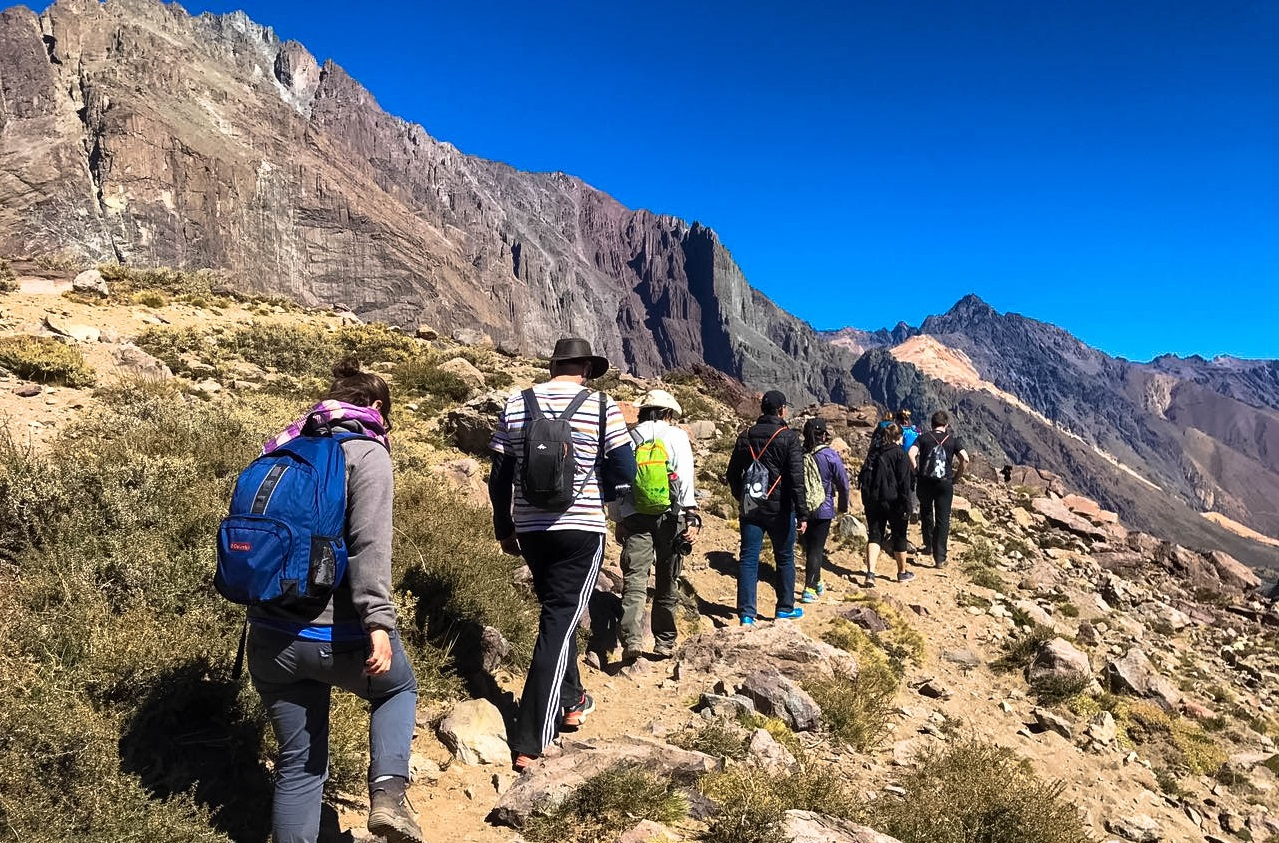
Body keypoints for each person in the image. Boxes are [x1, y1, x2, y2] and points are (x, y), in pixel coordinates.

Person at [247, 359, 423, 843]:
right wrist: (379, 623)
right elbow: (371, 546)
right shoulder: (368, 454)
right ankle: (388, 797)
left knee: (299, 767)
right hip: (338, 637)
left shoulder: (282, 448)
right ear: (378, 408)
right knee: (396, 689)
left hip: (270, 637)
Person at [488, 338, 636, 771]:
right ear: (587, 368)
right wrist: (601, 496)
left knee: (557, 615)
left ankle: (571, 700)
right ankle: (532, 737)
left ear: (554, 365)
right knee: (559, 622)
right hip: (581, 531)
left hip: (532, 531)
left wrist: (505, 525)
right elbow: (624, 470)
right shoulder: (602, 406)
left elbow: (499, 476)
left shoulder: (517, 403)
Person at [614, 389, 700, 660]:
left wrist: (618, 518)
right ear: (667, 413)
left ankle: (631, 640)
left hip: (635, 515)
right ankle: (664, 641)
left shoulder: (628, 437)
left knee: (635, 578)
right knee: (667, 577)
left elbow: (619, 481)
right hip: (670, 517)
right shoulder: (677, 437)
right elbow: (685, 477)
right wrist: (691, 515)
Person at [725, 390, 809, 624]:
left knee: (748, 558)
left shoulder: (745, 436)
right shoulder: (788, 437)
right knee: (784, 557)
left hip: (751, 506)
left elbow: (732, 473)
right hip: (780, 508)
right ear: (781, 409)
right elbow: (796, 479)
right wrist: (802, 512)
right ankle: (784, 608)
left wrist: (740, 495)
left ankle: (746, 614)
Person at [909, 410, 970, 568]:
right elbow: (965, 458)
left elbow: (911, 453)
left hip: (925, 481)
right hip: (945, 483)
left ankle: (928, 545)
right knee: (943, 519)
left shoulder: (923, 438)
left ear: (932, 424)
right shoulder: (953, 441)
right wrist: (957, 477)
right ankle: (940, 558)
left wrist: (916, 472)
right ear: (946, 425)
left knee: (927, 511)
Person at [800, 418, 850, 603]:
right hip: (823, 508)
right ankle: (809, 588)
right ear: (823, 435)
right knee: (816, 548)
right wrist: (843, 506)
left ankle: (817, 579)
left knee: (808, 546)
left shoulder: (800, 453)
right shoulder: (830, 455)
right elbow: (843, 483)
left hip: (802, 507)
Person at [862, 422, 914, 586]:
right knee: (899, 535)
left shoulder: (874, 453)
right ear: (900, 437)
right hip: (895, 502)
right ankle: (902, 572)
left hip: (874, 500)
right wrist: (907, 505)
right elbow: (905, 483)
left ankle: (870, 573)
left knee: (875, 535)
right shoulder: (900, 455)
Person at [896, 409, 921, 522]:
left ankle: (904, 508)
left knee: (901, 484)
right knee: (913, 484)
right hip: (916, 459)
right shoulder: (916, 429)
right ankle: (915, 508)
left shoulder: (898, 431)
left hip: (902, 460)